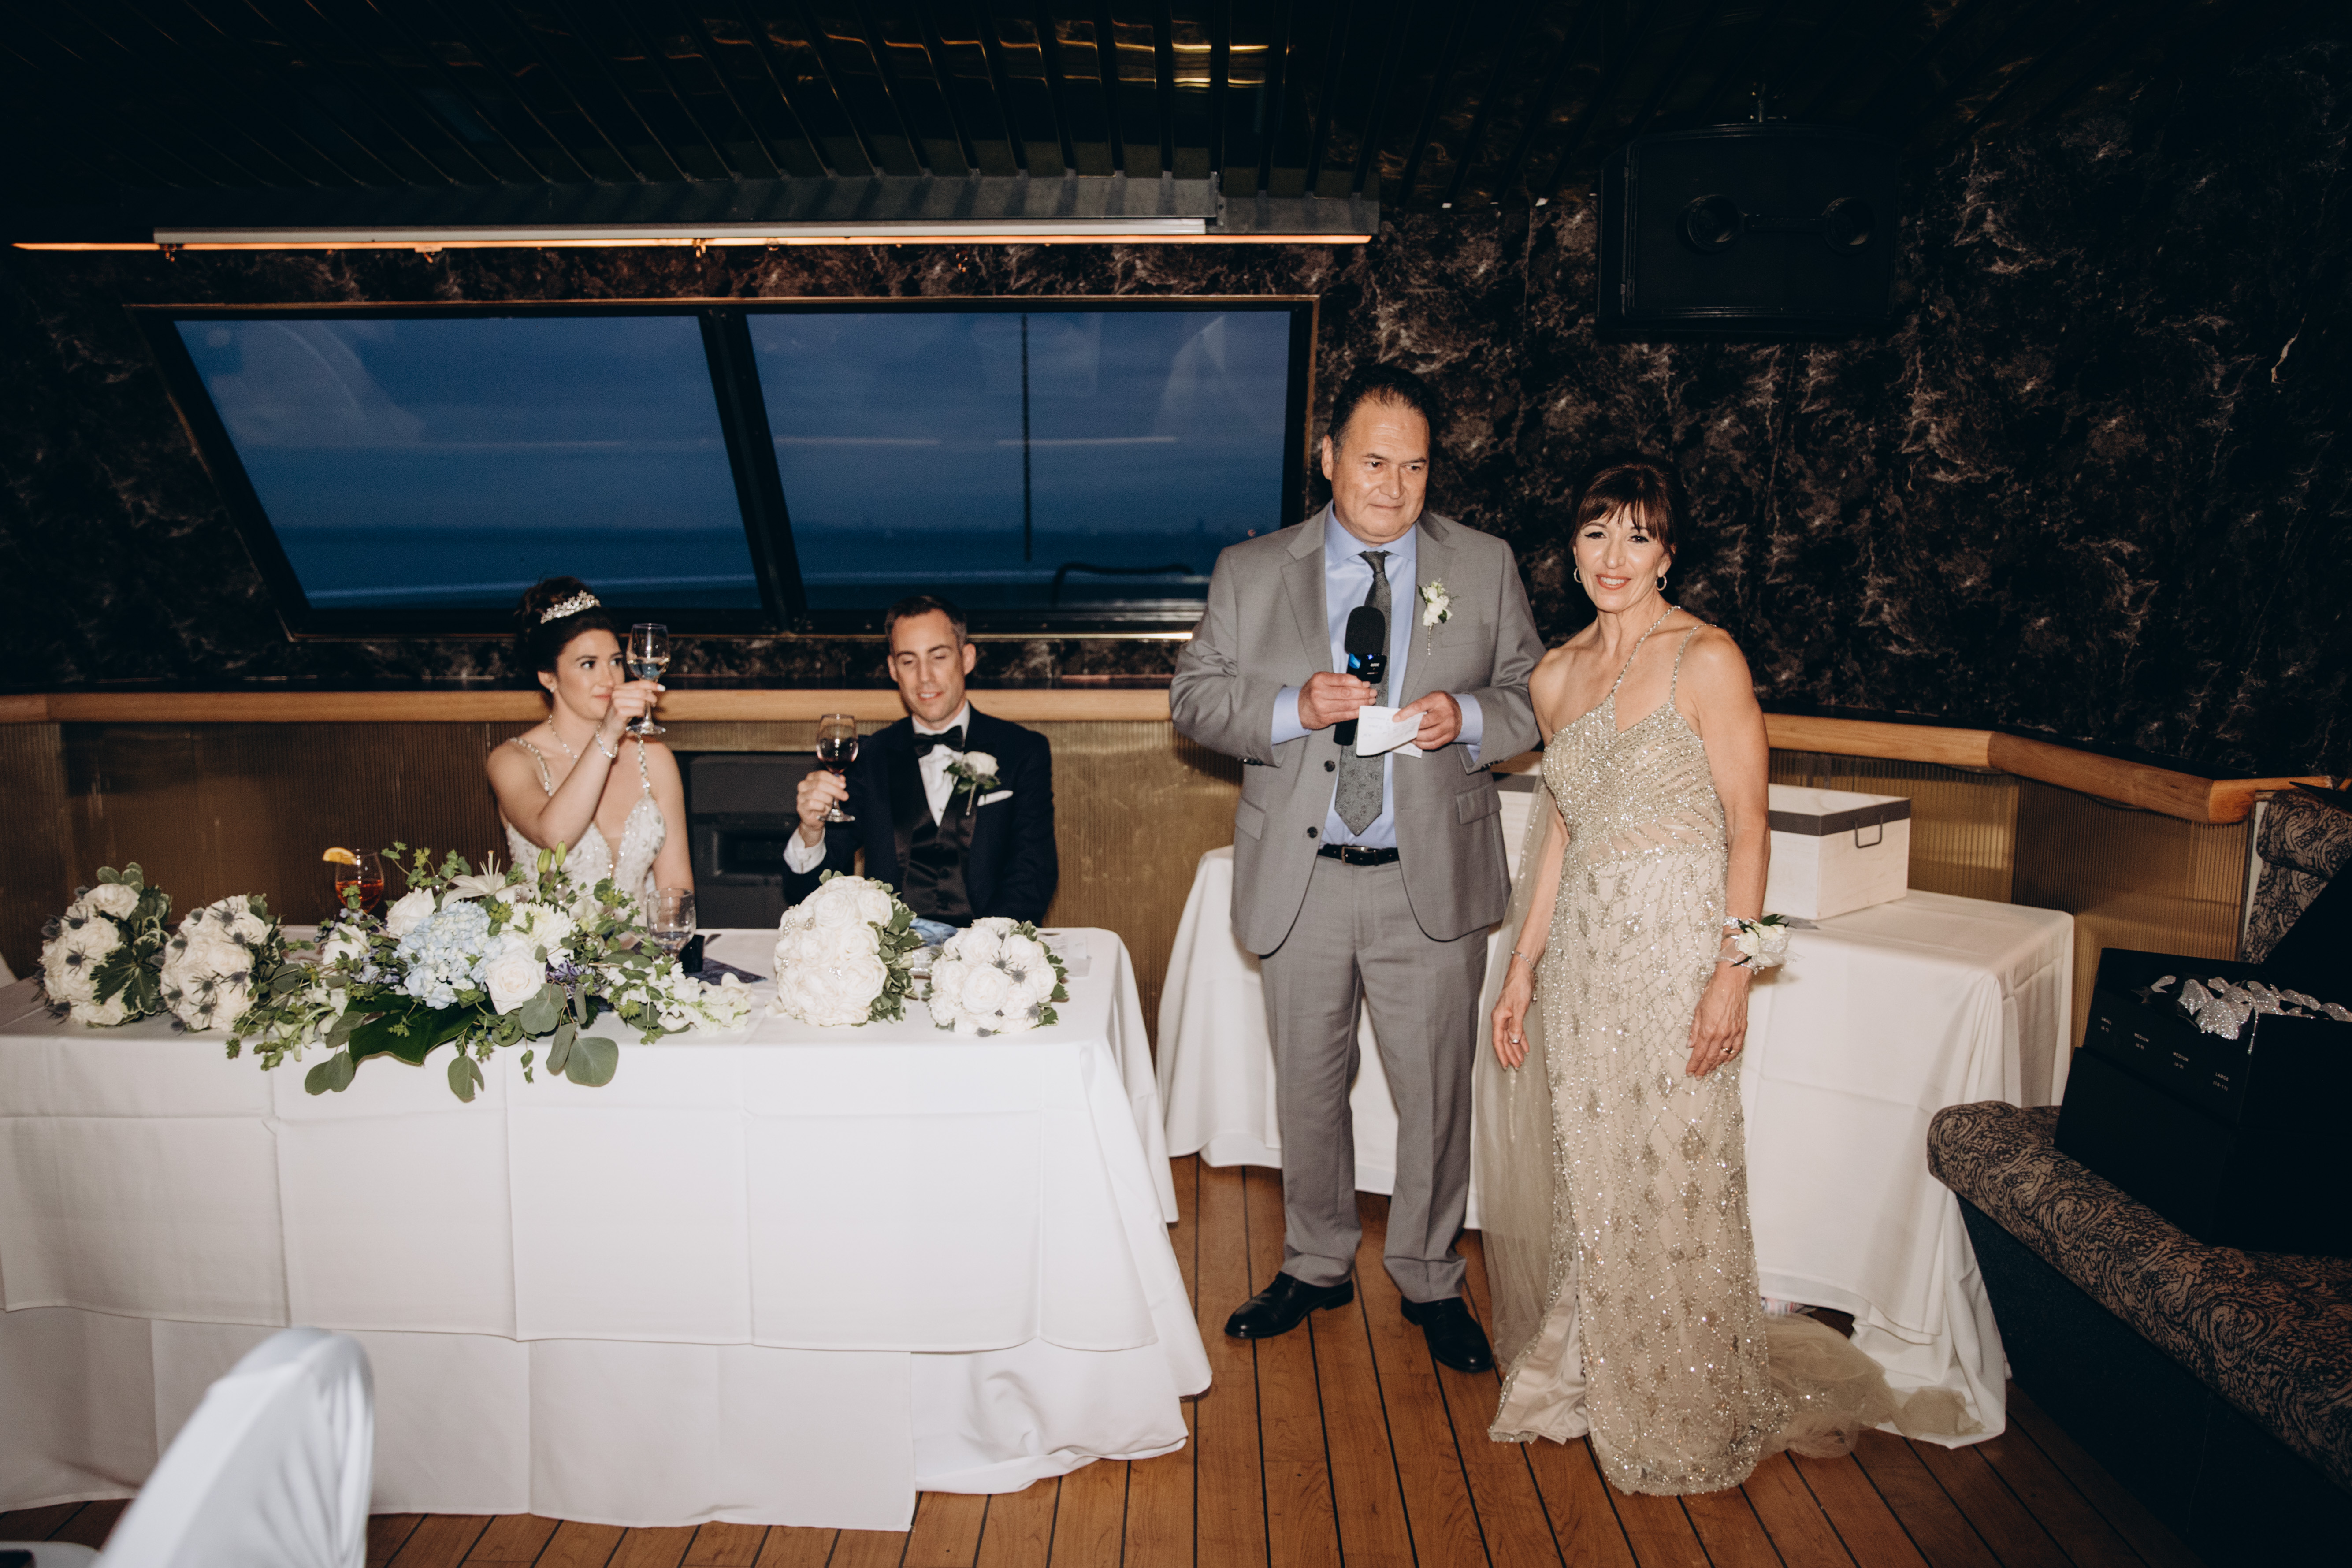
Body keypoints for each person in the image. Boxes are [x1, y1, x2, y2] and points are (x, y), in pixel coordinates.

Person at [1478, 460, 1935, 1494]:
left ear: (1668, 554)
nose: (1614, 557)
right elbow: (1559, 837)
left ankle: (1685, 1393)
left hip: (1680, 957)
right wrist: (1521, 970)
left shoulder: (1708, 658)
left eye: (1637, 536)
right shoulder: (1553, 677)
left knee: (1679, 1174)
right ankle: (1592, 1368)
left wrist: (1737, 970)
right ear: (1571, 549)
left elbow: (1750, 827)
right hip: (1586, 964)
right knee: (1595, 1173)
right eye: (1596, 533)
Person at [1170, 363, 1542, 1373]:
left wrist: (1466, 717)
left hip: (1430, 882)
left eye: (1414, 467)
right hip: (1301, 881)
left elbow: (1532, 695)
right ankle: (1315, 1262)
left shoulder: (1481, 564)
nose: (1394, 486)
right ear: (1328, 457)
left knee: (1436, 1098)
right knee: (1306, 1090)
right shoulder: (1251, 570)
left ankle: (1429, 1276)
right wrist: (1292, 708)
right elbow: (1193, 701)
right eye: (1374, 462)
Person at [784, 594, 1057, 928]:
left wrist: (984, 946)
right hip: (890, 954)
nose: (924, 677)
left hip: (987, 948)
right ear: (892, 669)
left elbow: (1033, 874)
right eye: (908, 661)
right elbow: (811, 895)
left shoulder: (1023, 750)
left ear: (967, 658)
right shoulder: (868, 757)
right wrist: (811, 831)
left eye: (938, 657)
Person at [487, 577, 692, 901]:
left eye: (615, 662)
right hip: (550, 935)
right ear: (549, 677)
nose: (609, 679)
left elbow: (675, 884)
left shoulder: (653, 756)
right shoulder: (512, 760)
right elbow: (555, 837)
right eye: (588, 665)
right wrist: (608, 733)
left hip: (645, 935)